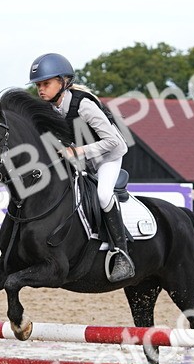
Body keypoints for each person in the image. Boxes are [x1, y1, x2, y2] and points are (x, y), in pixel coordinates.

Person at [29, 52, 134, 282]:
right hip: (83, 160)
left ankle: (121, 253)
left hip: (109, 157)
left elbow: (114, 141)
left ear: (63, 82)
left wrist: (78, 152)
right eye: (38, 85)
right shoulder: (50, 108)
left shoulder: (84, 105)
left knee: (104, 195)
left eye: (46, 83)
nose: (41, 89)